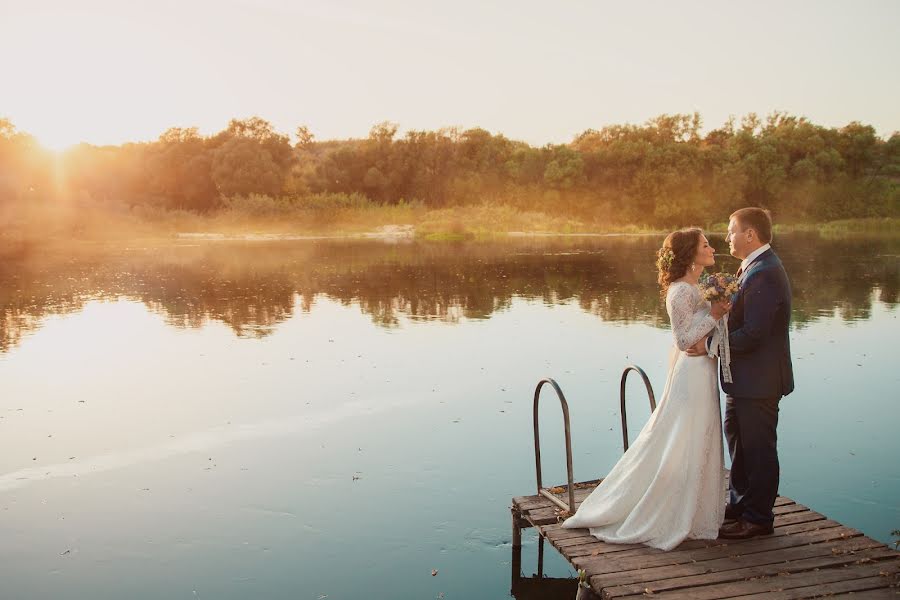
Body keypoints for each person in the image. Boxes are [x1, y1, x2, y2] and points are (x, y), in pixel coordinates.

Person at [561, 228, 730, 551]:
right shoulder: (681, 291)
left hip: (703, 370)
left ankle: (696, 513)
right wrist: (716, 315)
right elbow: (682, 340)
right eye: (705, 245)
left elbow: (702, 334)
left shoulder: (700, 287)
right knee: (680, 437)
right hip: (690, 375)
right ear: (689, 254)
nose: (711, 248)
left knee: (701, 437)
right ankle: (657, 510)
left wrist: (719, 317)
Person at [691, 207, 794, 540]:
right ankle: (739, 505)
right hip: (744, 379)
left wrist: (709, 345)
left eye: (732, 230)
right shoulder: (751, 267)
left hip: (760, 381)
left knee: (759, 449)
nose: (727, 237)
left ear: (750, 234)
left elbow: (754, 333)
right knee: (739, 441)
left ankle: (759, 519)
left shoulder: (765, 271)